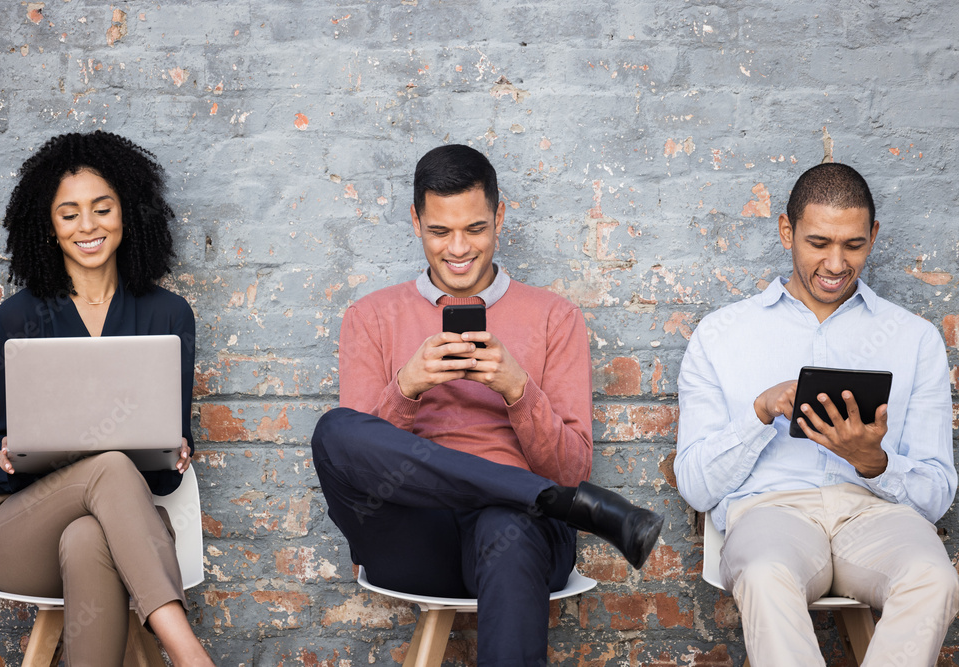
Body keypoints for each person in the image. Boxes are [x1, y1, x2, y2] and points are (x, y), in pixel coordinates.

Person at [311, 144, 664, 666]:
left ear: (500, 217)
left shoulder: (554, 318)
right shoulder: (370, 317)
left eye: (475, 229)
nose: (457, 249)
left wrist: (520, 391)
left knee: (509, 523)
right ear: (415, 221)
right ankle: (552, 501)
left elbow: (571, 466)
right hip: (412, 538)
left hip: (514, 540)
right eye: (439, 231)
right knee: (335, 430)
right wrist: (405, 387)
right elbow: (360, 466)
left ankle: (536, 500)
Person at [675, 162, 959, 666]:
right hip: (771, 512)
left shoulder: (914, 339)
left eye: (853, 245)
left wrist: (875, 463)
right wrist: (759, 414)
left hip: (876, 512)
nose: (835, 263)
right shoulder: (722, 335)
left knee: (934, 576)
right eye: (818, 242)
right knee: (765, 574)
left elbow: (936, 495)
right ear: (787, 231)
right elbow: (696, 487)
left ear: (873, 235)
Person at [0, 131, 214, 666]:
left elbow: (165, 474)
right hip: (25, 531)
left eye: (102, 209)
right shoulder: (16, 319)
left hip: (124, 530)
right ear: (48, 226)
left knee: (87, 538)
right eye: (69, 214)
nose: (88, 226)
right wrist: (5, 458)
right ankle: (190, 653)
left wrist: (178, 451)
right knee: (106, 464)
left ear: (127, 212)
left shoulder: (168, 316)